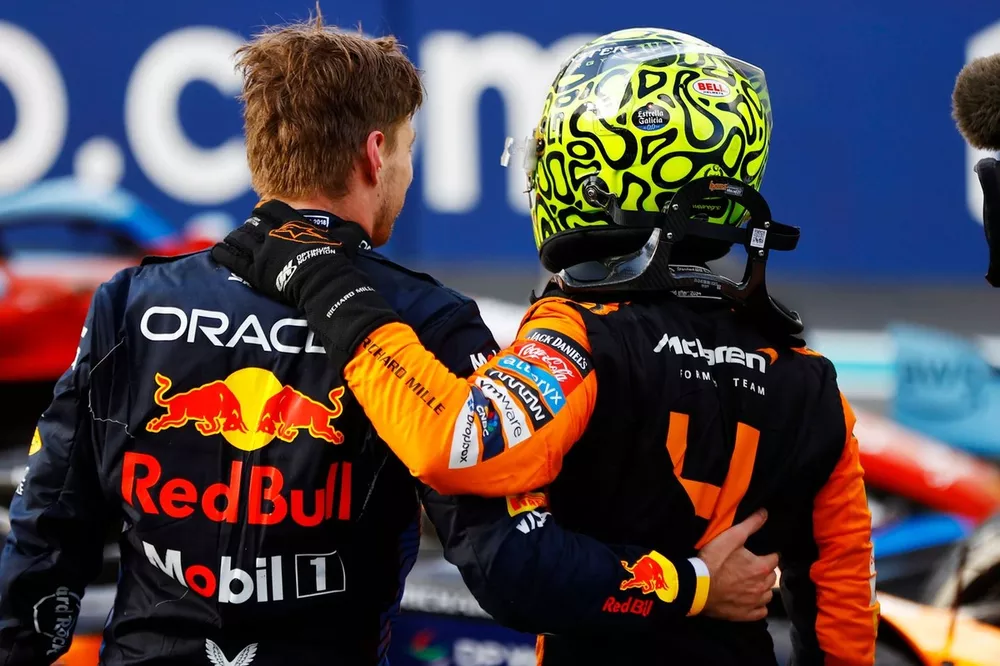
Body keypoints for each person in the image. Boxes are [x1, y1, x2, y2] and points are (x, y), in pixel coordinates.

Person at [0, 20, 778, 666]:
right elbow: (514, 572)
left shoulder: (130, 304)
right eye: (406, 151)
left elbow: (43, 542)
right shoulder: (428, 323)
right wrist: (691, 582)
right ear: (376, 153)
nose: (404, 173)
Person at [214, 27, 880, 665]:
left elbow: (456, 446)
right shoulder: (811, 382)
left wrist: (332, 288)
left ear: (604, 174)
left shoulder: (578, 333)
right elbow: (844, 617)